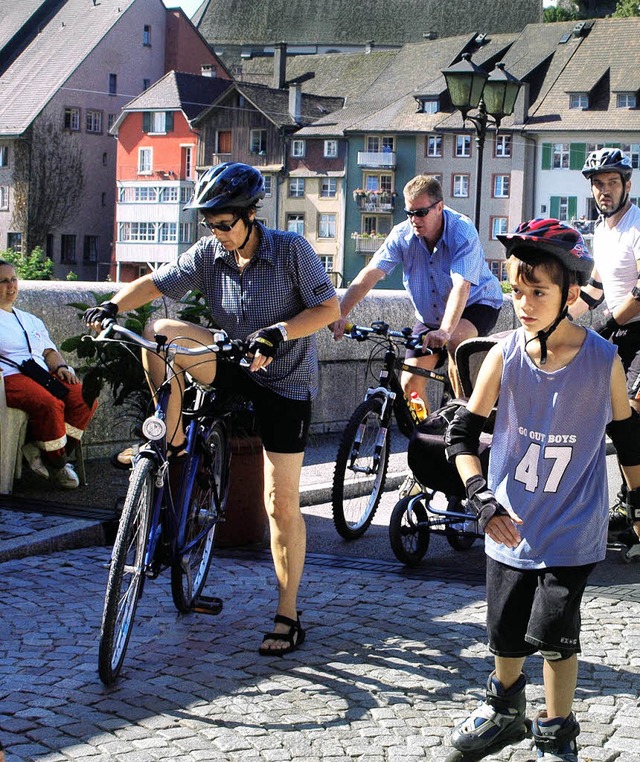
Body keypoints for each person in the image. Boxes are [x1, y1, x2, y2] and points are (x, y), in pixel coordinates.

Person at [84, 162, 340, 656]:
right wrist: (113, 306)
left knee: (279, 504)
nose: (218, 234)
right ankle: (173, 441)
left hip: (283, 379)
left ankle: (288, 613)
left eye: (226, 224)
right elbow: (155, 285)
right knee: (162, 335)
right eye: (211, 225)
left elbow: (328, 308)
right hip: (230, 361)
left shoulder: (291, 250)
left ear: (249, 216)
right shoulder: (208, 254)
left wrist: (280, 331)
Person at [444, 219, 640, 761]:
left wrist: (638, 504)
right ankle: (505, 711)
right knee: (504, 632)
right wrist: (481, 498)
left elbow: (629, 439)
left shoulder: (604, 361)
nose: (523, 304)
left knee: (555, 632)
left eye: (538, 292)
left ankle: (556, 732)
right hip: (511, 518)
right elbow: (461, 434)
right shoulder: (505, 353)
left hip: (574, 524)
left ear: (570, 295)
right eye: (515, 290)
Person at [331, 174, 503, 400]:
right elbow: (370, 274)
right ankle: (425, 433)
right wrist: (340, 313)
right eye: (410, 213)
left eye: (421, 213)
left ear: (439, 207)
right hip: (430, 315)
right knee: (410, 384)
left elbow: (462, 286)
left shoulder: (461, 230)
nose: (414, 219)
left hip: (477, 304)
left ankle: (464, 420)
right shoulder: (402, 235)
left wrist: (445, 330)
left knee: (455, 341)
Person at [571, 147, 640, 553]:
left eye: (612, 182)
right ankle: (630, 506)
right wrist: (561, 316)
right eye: (598, 184)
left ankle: (635, 508)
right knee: (613, 419)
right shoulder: (601, 230)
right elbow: (595, 290)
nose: (604, 190)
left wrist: (609, 323)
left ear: (626, 185)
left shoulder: (637, 225)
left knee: (629, 414)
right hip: (618, 333)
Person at [0, 260, 97, 489]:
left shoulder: (29, 319)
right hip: (11, 377)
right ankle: (58, 465)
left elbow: (49, 351)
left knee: (83, 397)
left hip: (41, 374)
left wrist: (62, 367)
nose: (11, 285)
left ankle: (41, 451)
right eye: (3, 281)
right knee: (50, 404)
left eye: (13, 279)